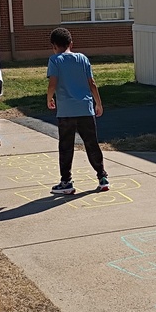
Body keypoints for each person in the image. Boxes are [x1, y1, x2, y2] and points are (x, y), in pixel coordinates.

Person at [46, 27, 109, 195]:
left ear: (54, 46)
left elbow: (53, 83)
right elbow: (92, 83)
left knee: (66, 146)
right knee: (91, 144)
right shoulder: (82, 58)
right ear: (71, 44)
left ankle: (66, 181)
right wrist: (99, 103)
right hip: (85, 109)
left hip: (66, 111)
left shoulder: (55, 60)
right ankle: (102, 177)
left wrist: (49, 98)